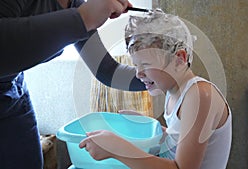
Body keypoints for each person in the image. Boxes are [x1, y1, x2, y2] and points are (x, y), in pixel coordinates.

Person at [79, 9, 232, 169]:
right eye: (136, 65)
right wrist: (151, 126)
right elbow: (178, 139)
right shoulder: (174, 93)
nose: (138, 73)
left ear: (179, 59)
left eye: (145, 65)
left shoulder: (200, 96)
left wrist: (117, 149)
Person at [0, 0, 145, 169]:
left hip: (12, 92)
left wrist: (160, 75)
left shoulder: (74, 4)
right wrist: (83, 18)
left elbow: (107, 70)